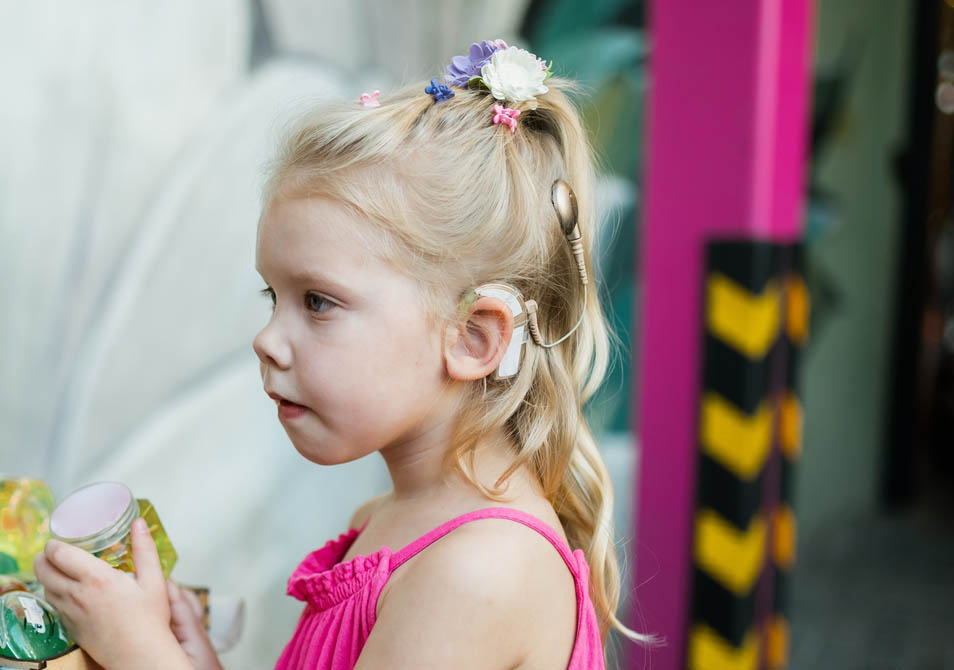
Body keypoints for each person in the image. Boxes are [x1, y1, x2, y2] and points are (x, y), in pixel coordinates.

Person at [33, 39, 648, 669]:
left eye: (319, 302)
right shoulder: (391, 520)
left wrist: (137, 649)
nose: (266, 340)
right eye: (273, 296)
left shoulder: (478, 569)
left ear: (473, 338)